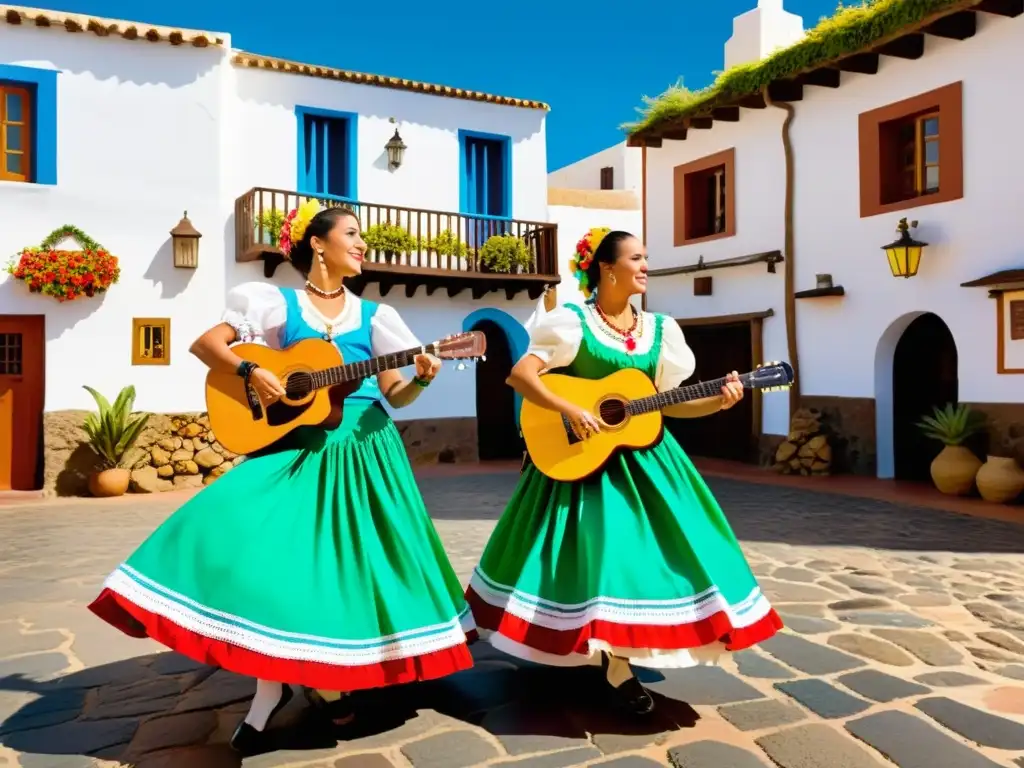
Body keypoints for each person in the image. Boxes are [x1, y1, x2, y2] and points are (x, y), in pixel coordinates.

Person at [88, 201, 476, 754]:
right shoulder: (273, 303)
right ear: (318, 245)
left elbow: (395, 394)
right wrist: (255, 370)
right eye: (353, 234)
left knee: (344, 572)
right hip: (295, 450)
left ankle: (319, 684)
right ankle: (286, 688)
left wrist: (424, 380)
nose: (364, 245)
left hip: (365, 454)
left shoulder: (377, 317)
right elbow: (208, 346)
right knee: (245, 540)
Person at [465, 228, 783, 715]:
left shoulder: (661, 331)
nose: (645, 266)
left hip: (648, 463)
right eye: (636, 258)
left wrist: (718, 403)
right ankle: (614, 663)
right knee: (599, 557)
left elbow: (671, 407)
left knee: (660, 557)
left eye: (646, 258)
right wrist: (569, 408)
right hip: (581, 463)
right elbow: (522, 376)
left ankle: (623, 651)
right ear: (607, 268)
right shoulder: (571, 322)